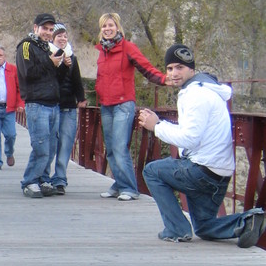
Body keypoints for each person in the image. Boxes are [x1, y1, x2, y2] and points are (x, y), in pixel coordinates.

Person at [138, 44, 266, 246]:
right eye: (170, 68)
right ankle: (246, 221)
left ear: (191, 69)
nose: (174, 73)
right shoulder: (207, 91)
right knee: (204, 227)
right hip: (219, 173)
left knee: (152, 171)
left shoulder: (195, 94)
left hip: (202, 172)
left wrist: (157, 126)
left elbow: (190, 139)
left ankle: (176, 229)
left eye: (179, 67)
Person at [95, 12, 167, 201]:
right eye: (104, 26)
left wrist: (164, 80)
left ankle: (129, 188)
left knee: (119, 146)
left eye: (111, 25)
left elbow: (146, 68)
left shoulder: (127, 48)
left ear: (118, 27)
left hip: (123, 104)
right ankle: (119, 183)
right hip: (106, 104)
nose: (107, 29)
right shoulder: (102, 51)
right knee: (110, 148)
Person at [15, 13, 63, 197]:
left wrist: (62, 64)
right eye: (45, 29)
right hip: (37, 103)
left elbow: (51, 75)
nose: (48, 33)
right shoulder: (26, 45)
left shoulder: (46, 48)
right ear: (36, 28)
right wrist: (49, 62)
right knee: (41, 145)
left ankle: (43, 179)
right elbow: (27, 72)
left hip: (52, 103)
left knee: (51, 147)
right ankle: (30, 181)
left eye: (51, 30)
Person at [48, 23, 86, 194]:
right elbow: (51, 79)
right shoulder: (47, 56)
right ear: (52, 38)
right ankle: (43, 177)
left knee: (65, 143)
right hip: (52, 105)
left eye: (64, 35)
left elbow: (76, 80)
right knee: (49, 143)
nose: (62, 39)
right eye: (59, 36)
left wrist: (81, 98)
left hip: (69, 107)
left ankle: (60, 179)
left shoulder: (72, 57)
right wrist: (61, 64)